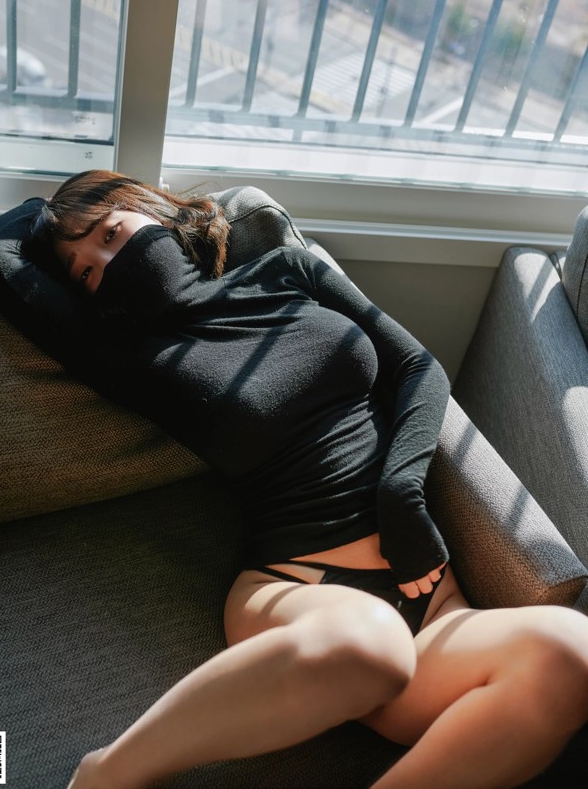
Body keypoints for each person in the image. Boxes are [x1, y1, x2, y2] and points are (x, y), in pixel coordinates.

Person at [30, 170, 588, 789]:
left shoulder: (287, 271)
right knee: (369, 641)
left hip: (433, 608)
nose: (106, 262)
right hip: (298, 584)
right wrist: (48, 220)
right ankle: (102, 776)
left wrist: (401, 492)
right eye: (85, 271)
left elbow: (416, 367)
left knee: (572, 652)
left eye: (111, 232)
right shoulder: (130, 355)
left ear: (155, 211)